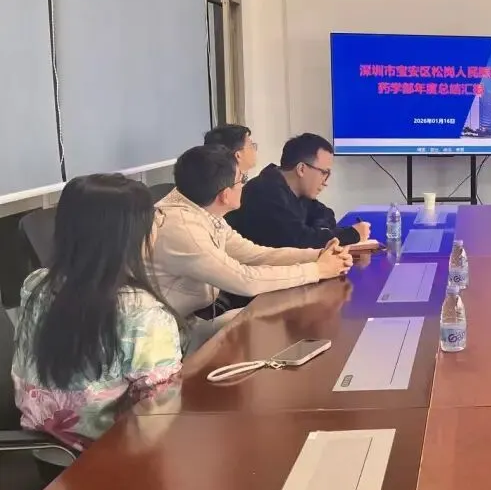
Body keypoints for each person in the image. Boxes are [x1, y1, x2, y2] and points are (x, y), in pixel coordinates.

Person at [11, 175, 183, 451]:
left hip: (42, 449)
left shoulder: (35, 284)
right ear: (131, 237)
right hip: (105, 460)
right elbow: (160, 418)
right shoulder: (142, 313)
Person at [151, 145, 352, 334]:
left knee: (273, 315)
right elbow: (245, 280)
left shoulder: (202, 209)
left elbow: (254, 254)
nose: (245, 185)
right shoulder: (183, 229)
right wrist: (318, 270)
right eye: (242, 179)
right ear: (225, 195)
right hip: (163, 339)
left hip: (187, 322)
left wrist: (318, 255)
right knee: (274, 321)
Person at [227, 133, 370, 249]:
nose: (326, 182)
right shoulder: (265, 193)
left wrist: (320, 230)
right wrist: (351, 235)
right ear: (301, 169)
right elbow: (298, 242)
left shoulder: (295, 191)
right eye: (324, 173)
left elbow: (325, 214)